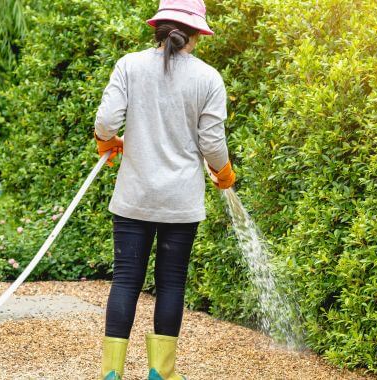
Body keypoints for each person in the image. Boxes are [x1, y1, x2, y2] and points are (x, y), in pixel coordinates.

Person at [93, 0, 236, 378]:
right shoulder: (208, 78)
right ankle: (161, 373)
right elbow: (212, 144)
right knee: (171, 282)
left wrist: (105, 141)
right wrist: (223, 171)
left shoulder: (130, 65)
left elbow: (107, 120)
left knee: (126, 279)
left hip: (134, 197)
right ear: (197, 33)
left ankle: (112, 374)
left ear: (157, 27)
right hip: (180, 201)